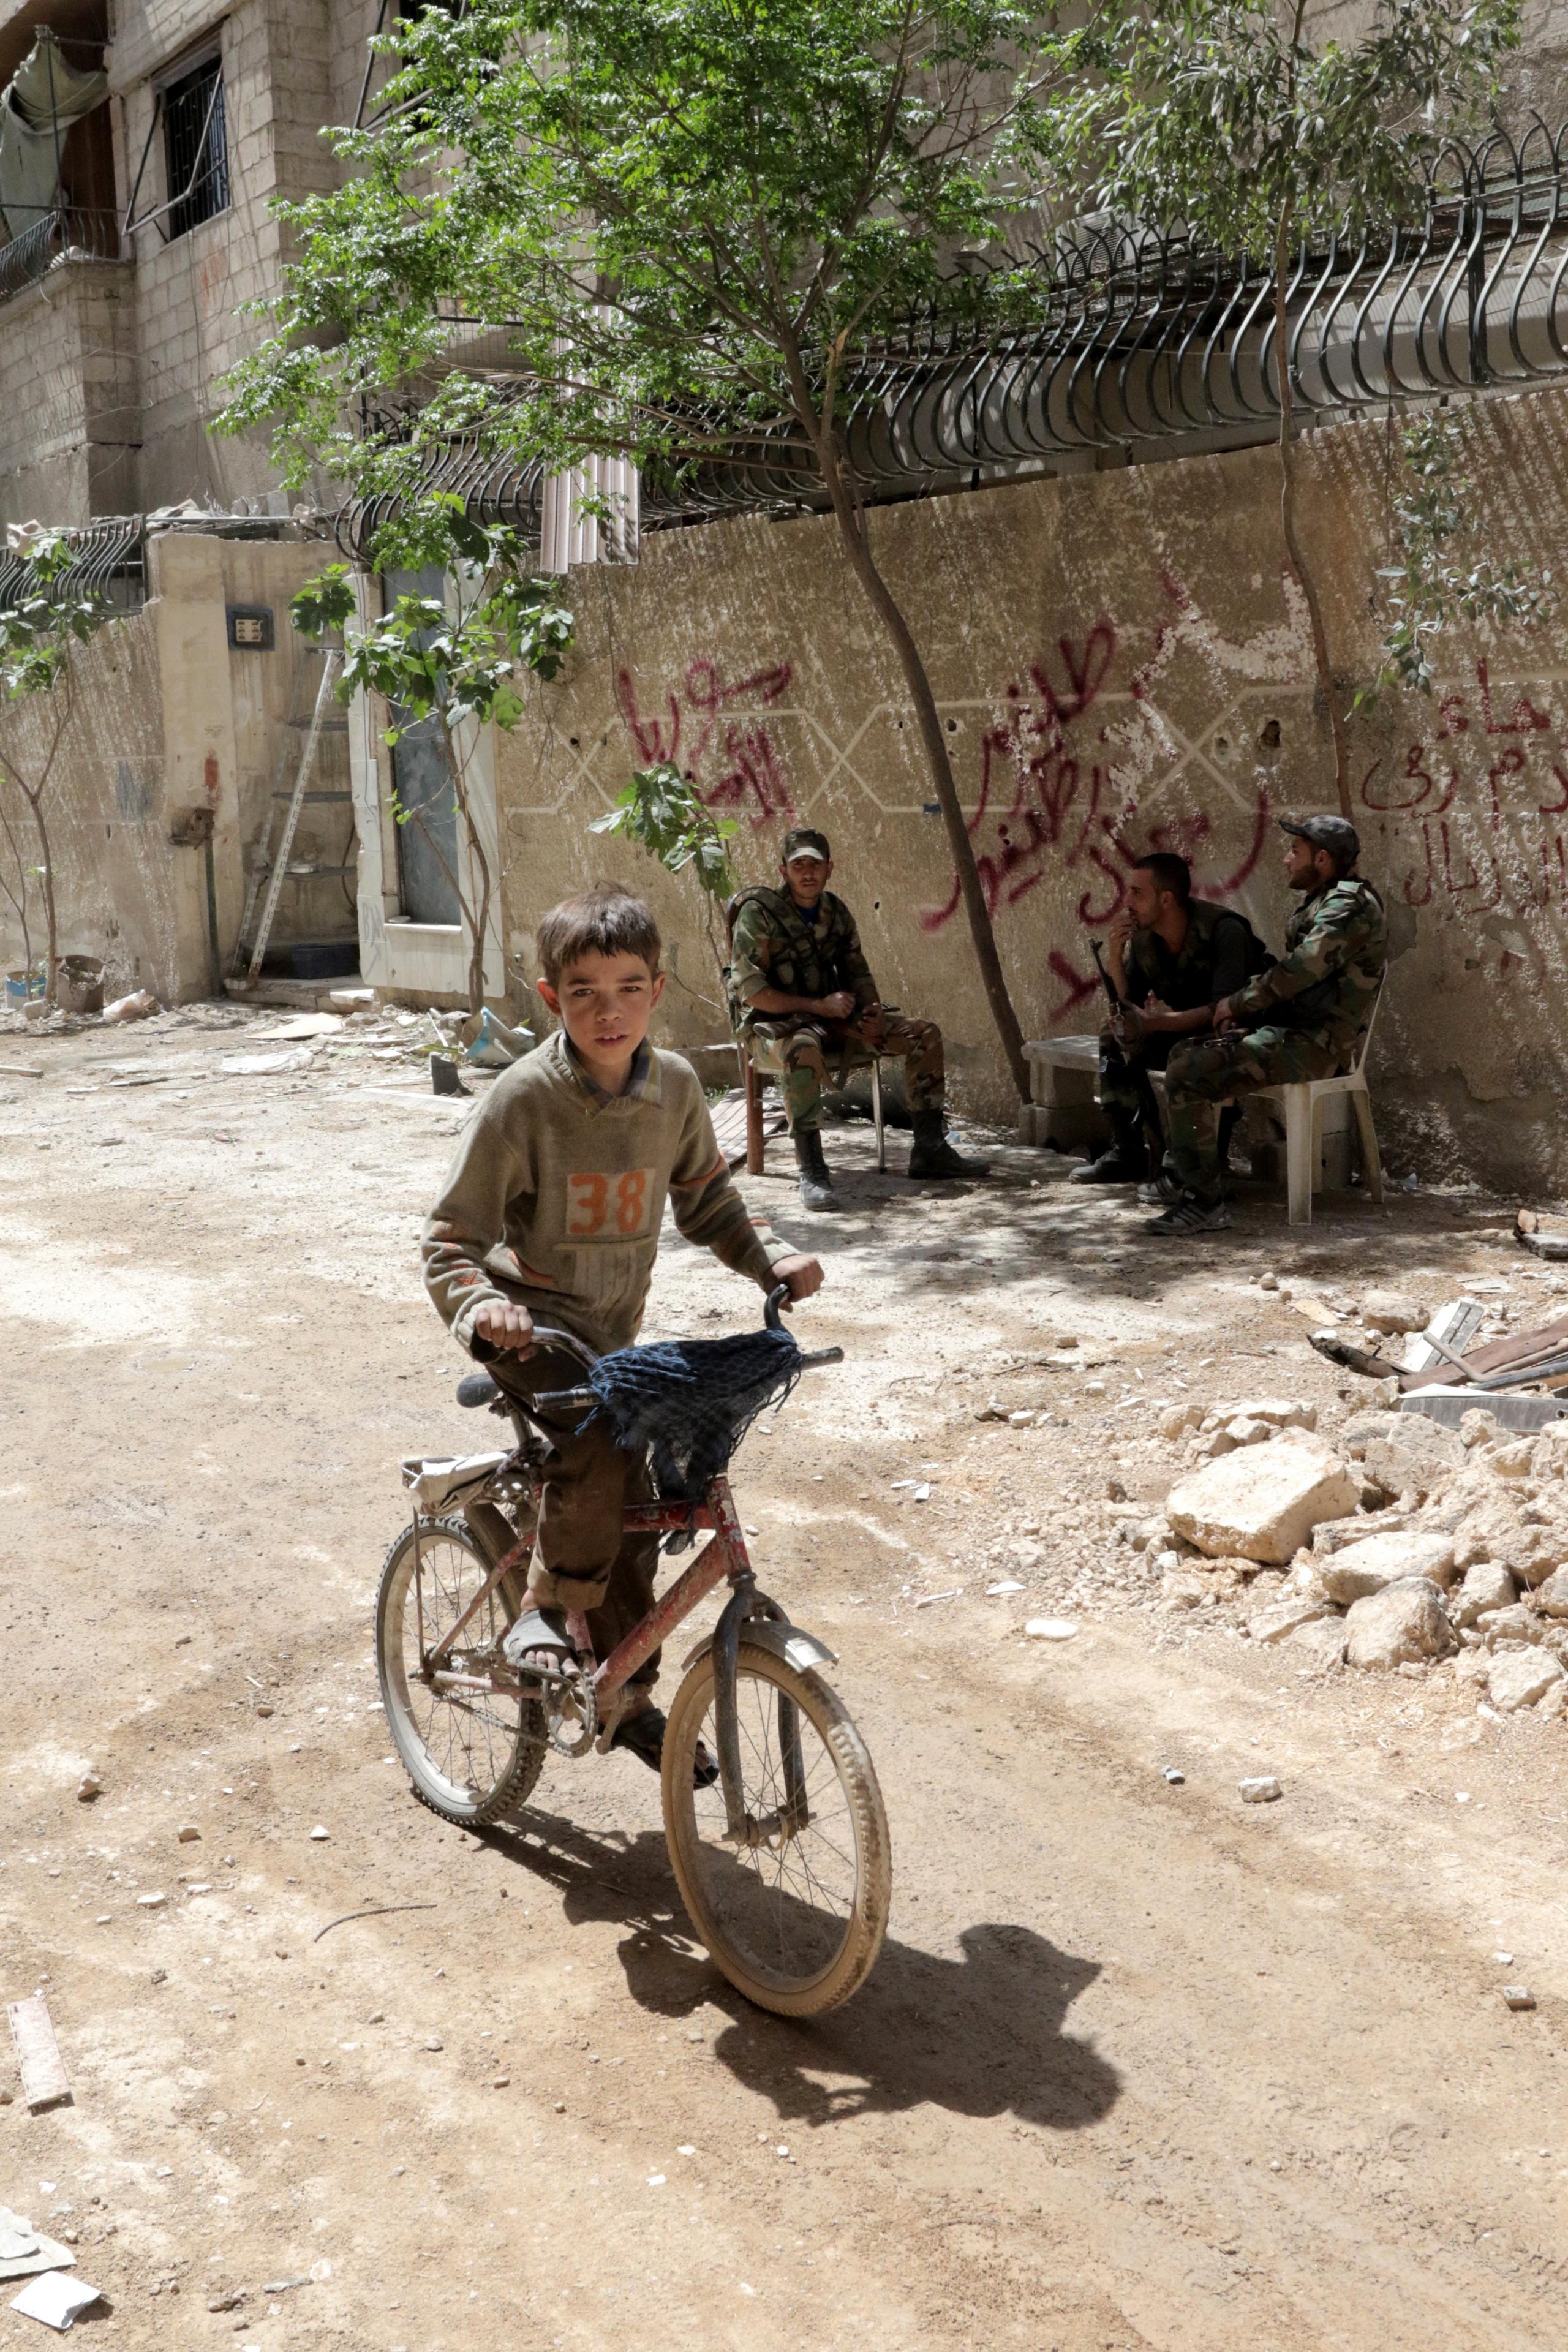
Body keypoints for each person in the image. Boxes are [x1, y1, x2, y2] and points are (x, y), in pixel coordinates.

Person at [421, 881, 823, 1773]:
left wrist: (773, 1263)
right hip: (533, 1337)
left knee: (642, 1502)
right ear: (551, 999)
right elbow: (449, 1242)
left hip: (612, 1339)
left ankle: (626, 1684)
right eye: (587, 993)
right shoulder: (520, 1103)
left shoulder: (674, 1088)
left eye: (630, 988)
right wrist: (483, 1310)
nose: (611, 1012)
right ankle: (542, 1608)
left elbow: (710, 1201)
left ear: (660, 987)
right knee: (601, 1437)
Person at [726, 826, 989, 1209]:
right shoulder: (758, 915)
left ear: (829, 868)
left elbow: (858, 973)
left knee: (924, 1034)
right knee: (802, 1048)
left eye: (815, 865)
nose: (807, 873)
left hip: (834, 1020)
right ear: (783, 871)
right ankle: (813, 1171)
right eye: (798, 865)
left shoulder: (836, 912)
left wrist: (874, 1015)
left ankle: (930, 1150)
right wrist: (818, 1007)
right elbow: (753, 993)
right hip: (774, 1030)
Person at [1150, 815, 1387, 1237]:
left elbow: (1300, 971)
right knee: (1186, 1055)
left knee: (1190, 1071)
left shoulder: (1348, 906)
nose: (1286, 860)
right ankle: (1191, 1177)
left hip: (1315, 1046)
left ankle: (1203, 1202)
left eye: (1294, 852)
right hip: (1295, 1034)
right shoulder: (1328, 899)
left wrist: (1238, 1003)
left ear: (1323, 858)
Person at [1071, 852, 1268, 1185]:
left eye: (1137, 893)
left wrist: (1155, 1023)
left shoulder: (1224, 931)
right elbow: (1127, 1007)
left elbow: (1223, 1010)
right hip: (1184, 1033)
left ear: (1166, 899)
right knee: (1113, 1035)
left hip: (1236, 1036)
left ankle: (1200, 1162)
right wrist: (1116, 959)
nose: (1127, 901)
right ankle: (1130, 1151)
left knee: (1191, 1051)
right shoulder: (1147, 939)